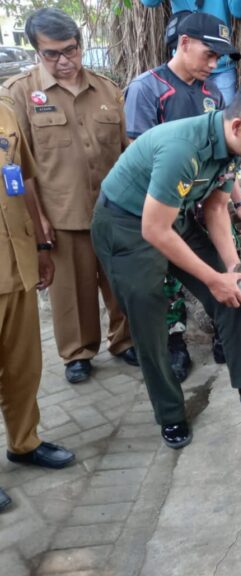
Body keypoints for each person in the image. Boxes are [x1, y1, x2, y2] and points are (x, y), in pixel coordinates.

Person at [91, 82, 241, 449]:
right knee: (150, 319)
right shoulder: (181, 150)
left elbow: (217, 207)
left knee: (231, 290)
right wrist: (212, 278)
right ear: (238, 126)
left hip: (172, 219)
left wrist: (232, 268)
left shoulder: (231, 149)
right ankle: (171, 415)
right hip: (126, 225)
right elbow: (153, 229)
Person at [1, 8, 137, 385]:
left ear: (80, 45)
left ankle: (124, 341)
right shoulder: (20, 95)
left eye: (71, 50)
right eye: (52, 54)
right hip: (61, 213)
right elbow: (21, 166)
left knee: (118, 281)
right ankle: (78, 352)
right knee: (71, 293)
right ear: (36, 53)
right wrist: (37, 218)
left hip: (112, 211)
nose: (65, 61)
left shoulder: (108, 90)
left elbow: (126, 154)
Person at [124, 12, 241, 383]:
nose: (214, 64)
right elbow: (141, 157)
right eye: (208, 55)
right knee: (165, 276)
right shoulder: (147, 89)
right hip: (164, 207)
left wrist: (239, 202)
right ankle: (175, 341)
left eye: (219, 59)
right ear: (183, 44)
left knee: (223, 263)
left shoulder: (212, 94)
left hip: (207, 202)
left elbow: (225, 155)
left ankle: (224, 335)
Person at [0, 101, 75, 513]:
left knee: (23, 367)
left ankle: (24, 443)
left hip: (15, 265)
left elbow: (23, 178)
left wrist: (42, 245)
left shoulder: (5, 112)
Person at [139, 0, 241, 104]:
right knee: (183, 117)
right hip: (186, 67)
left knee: (222, 119)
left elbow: (238, 11)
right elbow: (149, 2)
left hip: (220, 66)